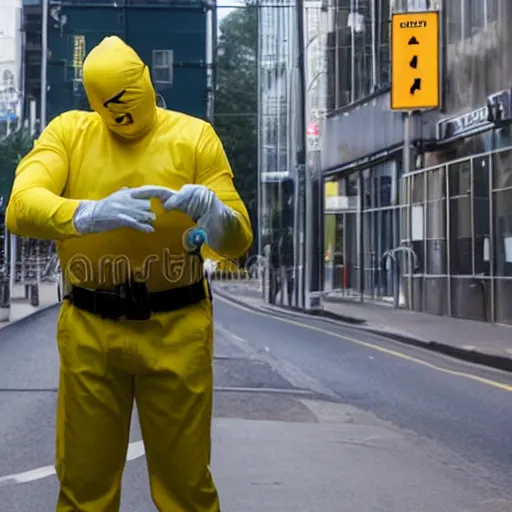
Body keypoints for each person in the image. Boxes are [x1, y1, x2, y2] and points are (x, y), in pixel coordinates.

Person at [6, 35, 252, 512]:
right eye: (111, 107)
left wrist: (212, 212)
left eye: (129, 100)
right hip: (91, 331)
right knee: (83, 489)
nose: (124, 117)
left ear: (146, 81)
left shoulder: (194, 137)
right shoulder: (68, 134)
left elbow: (238, 240)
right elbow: (22, 205)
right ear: (96, 103)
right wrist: (86, 214)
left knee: (186, 490)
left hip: (177, 328)